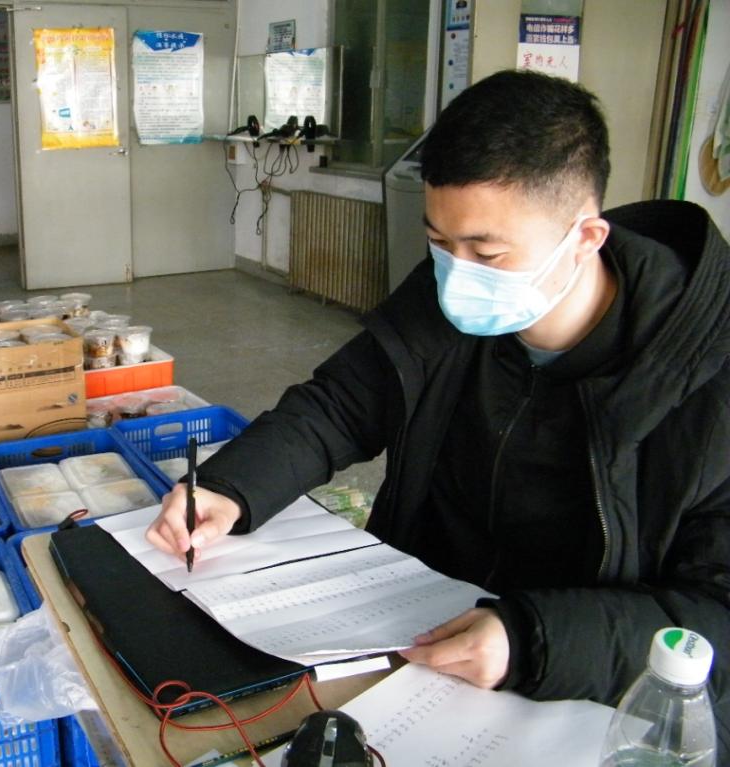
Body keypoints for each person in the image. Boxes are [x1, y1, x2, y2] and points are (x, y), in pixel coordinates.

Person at [146, 69, 730, 753]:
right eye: (440, 243)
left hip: (575, 697)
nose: (457, 274)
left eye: (486, 251)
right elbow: (342, 404)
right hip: (412, 641)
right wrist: (231, 487)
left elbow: (714, 613)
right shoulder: (450, 294)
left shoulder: (708, 378)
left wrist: (531, 639)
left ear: (586, 238)